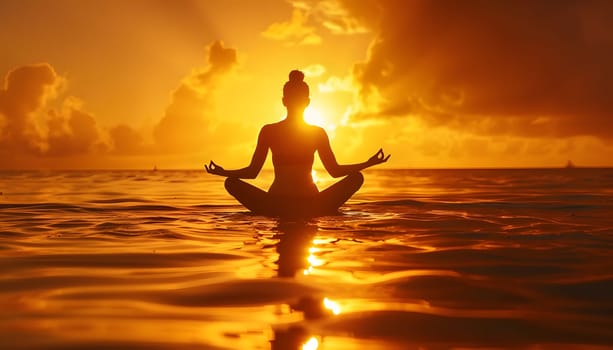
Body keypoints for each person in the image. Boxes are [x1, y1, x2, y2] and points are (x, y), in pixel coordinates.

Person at [205, 69, 390, 217]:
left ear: (285, 101)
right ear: (305, 102)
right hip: (303, 205)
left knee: (231, 182)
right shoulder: (275, 131)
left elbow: (252, 173)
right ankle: (312, 211)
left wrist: (224, 172)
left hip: (284, 205)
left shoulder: (298, 132)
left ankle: (293, 210)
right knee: (231, 182)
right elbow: (334, 171)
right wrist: (368, 163)